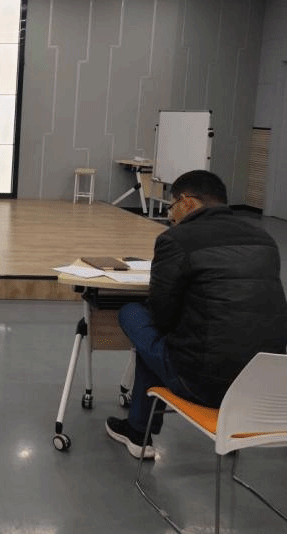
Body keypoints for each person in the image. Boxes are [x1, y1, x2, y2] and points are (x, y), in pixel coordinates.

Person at [106, 170, 287, 458]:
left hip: (203, 385)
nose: (170, 216)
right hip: (262, 389)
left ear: (187, 202)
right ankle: (139, 430)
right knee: (162, 342)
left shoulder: (175, 240)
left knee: (134, 314)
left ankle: (139, 432)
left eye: (171, 206)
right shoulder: (264, 239)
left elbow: (162, 317)